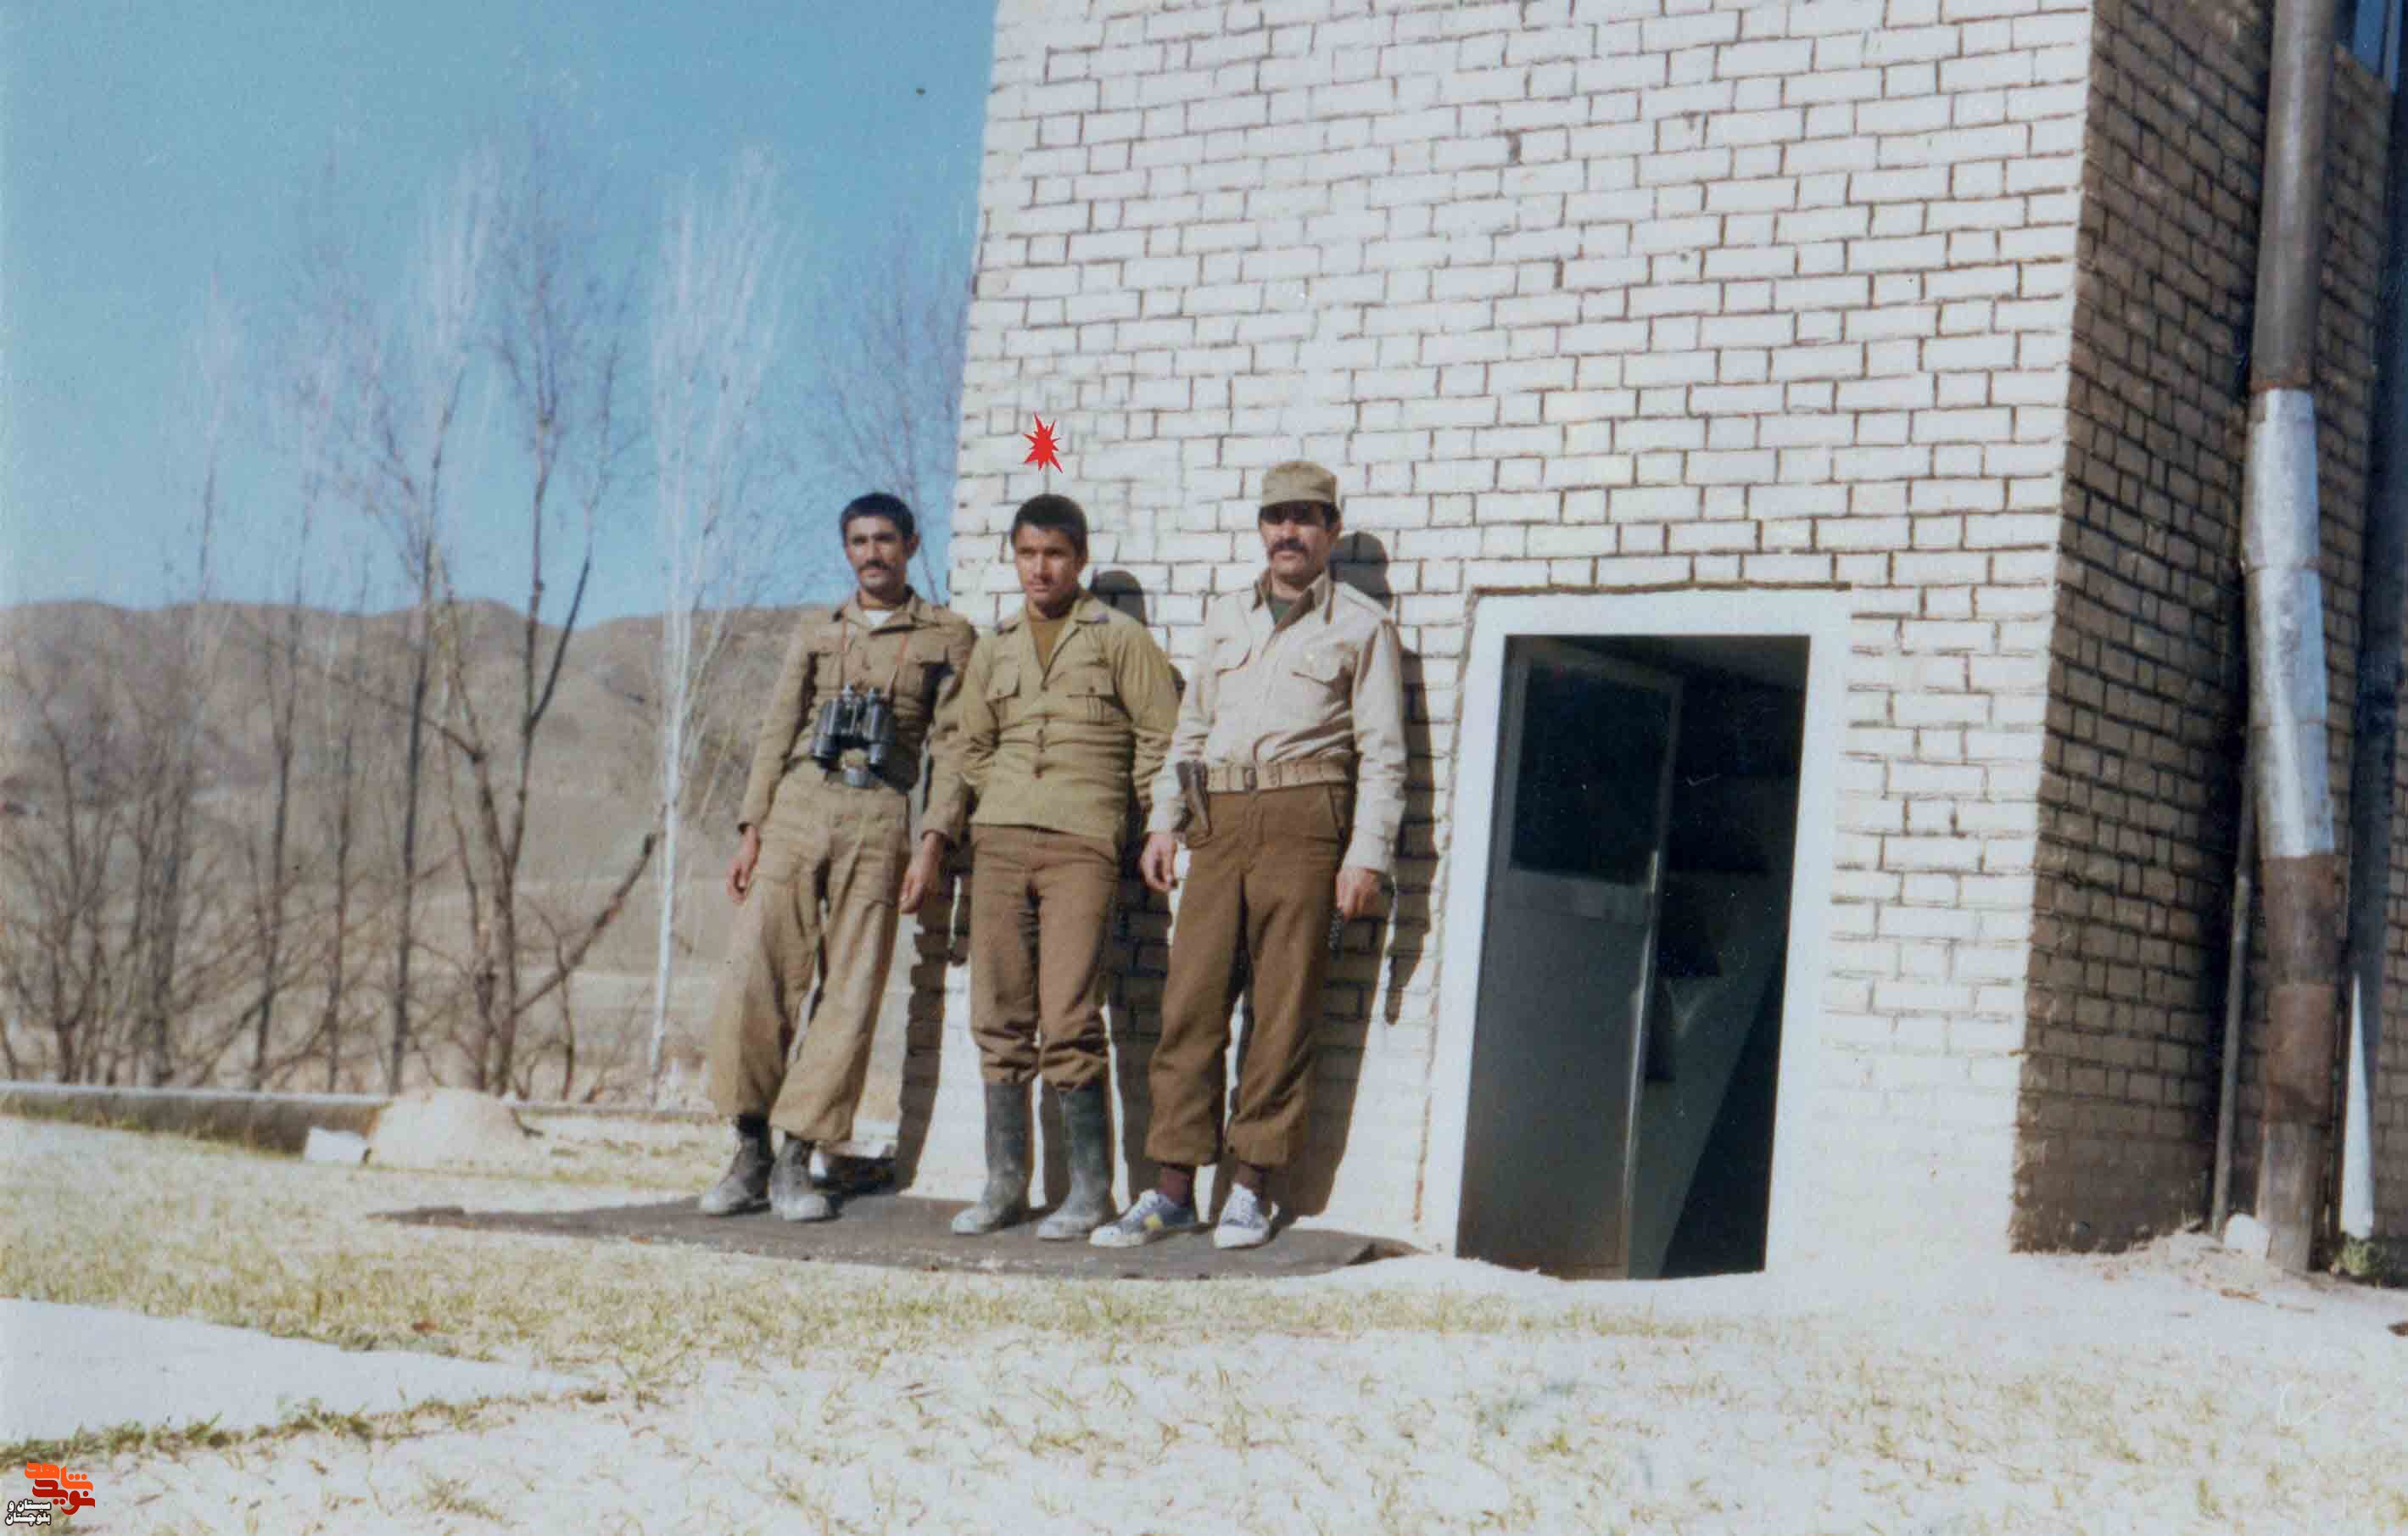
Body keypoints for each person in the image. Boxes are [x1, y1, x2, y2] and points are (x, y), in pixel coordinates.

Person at [1093, 461, 1406, 1250]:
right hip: (1219, 820)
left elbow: (1383, 754)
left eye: (1304, 517)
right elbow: (1191, 729)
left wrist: (1365, 856)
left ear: (1330, 530)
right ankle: (1171, 1189)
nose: (1287, 532)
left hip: (1306, 821)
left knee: (1282, 1007)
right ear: (1261, 528)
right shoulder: (1226, 616)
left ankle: (1250, 1188)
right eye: (1275, 517)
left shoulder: (1363, 626)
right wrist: (1164, 823)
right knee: (1189, 1004)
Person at [697, 492, 975, 1221]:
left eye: (885, 539)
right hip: (799, 803)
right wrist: (751, 826)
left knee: (851, 986)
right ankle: (749, 1149)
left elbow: (954, 748)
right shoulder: (816, 630)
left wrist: (932, 842)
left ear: (910, 545)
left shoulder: (947, 635)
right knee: (757, 972)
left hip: (880, 810)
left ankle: (798, 1157)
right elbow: (777, 726)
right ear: (845, 549)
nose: (871, 553)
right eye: (858, 541)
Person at [930, 494, 1180, 1240]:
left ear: (1080, 559)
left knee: (1070, 1016)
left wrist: (1153, 825)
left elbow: (1160, 738)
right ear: (1013, 557)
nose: (1040, 568)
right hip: (1000, 840)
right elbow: (970, 745)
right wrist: (1004, 799)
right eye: (1027, 553)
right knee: (999, 1016)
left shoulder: (1121, 639)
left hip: (1083, 843)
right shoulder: (996, 646)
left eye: (1055, 554)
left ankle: (1089, 1191)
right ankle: (1004, 1183)